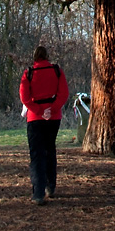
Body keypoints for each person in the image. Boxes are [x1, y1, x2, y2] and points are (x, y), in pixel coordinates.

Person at [19, 45, 69, 205]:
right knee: (50, 149)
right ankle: (51, 186)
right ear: (47, 56)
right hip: (53, 117)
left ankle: (38, 192)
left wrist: (39, 111)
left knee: (37, 154)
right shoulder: (57, 71)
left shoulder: (29, 73)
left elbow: (24, 97)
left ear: (34, 57)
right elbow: (64, 94)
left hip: (35, 118)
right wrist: (51, 109)